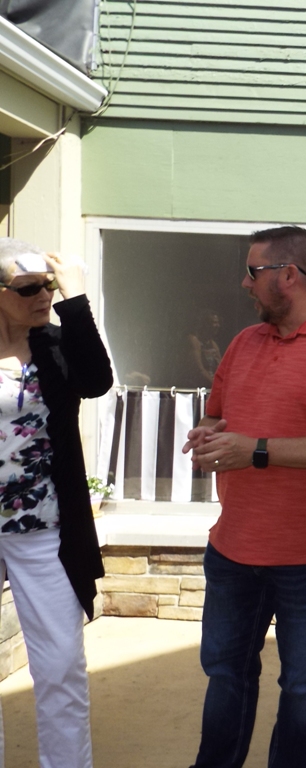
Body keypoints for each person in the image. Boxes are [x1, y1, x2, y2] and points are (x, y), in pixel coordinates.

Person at [181, 226, 306, 768]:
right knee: (225, 672)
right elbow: (218, 413)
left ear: (288, 275)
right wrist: (209, 434)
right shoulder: (245, 342)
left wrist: (257, 450)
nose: (244, 283)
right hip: (233, 547)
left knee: (302, 684)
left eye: (253, 272)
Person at [0, 238, 113, 768]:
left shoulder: (56, 344)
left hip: (46, 529)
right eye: (27, 289)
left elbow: (97, 381)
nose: (42, 295)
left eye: (47, 284)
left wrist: (75, 296)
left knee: (63, 665)